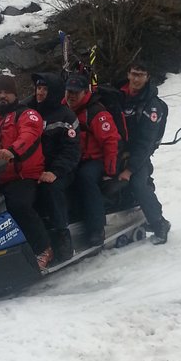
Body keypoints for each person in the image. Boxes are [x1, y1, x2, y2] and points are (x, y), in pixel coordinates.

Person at [0, 74, 54, 270]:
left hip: (21, 176)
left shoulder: (27, 115)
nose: (2, 96)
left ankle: (43, 248)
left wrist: (12, 151)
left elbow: (29, 135)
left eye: (7, 92)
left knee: (17, 204)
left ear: (15, 95)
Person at [27, 73, 81, 263]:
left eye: (45, 89)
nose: (40, 93)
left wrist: (55, 171)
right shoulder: (26, 109)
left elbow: (71, 151)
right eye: (38, 88)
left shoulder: (66, 116)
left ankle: (62, 234)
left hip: (59, 169)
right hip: (31, 168)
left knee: (51, 189)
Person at [63, 72, 120, 249]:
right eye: (68, 91)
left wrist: (110, 171)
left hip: (95, 159)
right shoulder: (63, 108)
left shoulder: (97, 112)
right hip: (72, 158)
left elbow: (111, 141)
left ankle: (97, 228)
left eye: (75, 92)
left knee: (85, 178)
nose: (71, 95)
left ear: (84, 92)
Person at [117, 58, 170, 244]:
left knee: (138, 184)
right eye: (133, 74)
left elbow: (145, 143)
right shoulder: (118, 95)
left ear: (147, 78)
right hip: (114, 152)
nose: (136, 79)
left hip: (137, 156)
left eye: (141, 75)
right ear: (128, 74)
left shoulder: (152, 106)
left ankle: (159, 223)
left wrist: (129, 169)